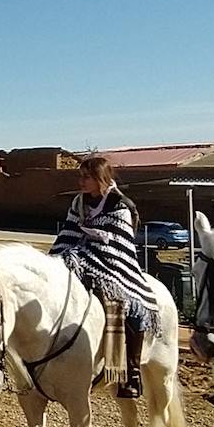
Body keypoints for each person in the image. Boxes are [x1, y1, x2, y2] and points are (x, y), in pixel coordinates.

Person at [49, 155, 158, 398]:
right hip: (80, 252)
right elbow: (69, 231)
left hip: (113, 261)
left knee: (130, 304)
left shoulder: (120, 204)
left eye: (87, 177)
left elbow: (121, 240)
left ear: (101, 177)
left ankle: (131, 372)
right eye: (80, 176)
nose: (82, 181)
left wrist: (96, 241)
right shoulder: (79, 202)